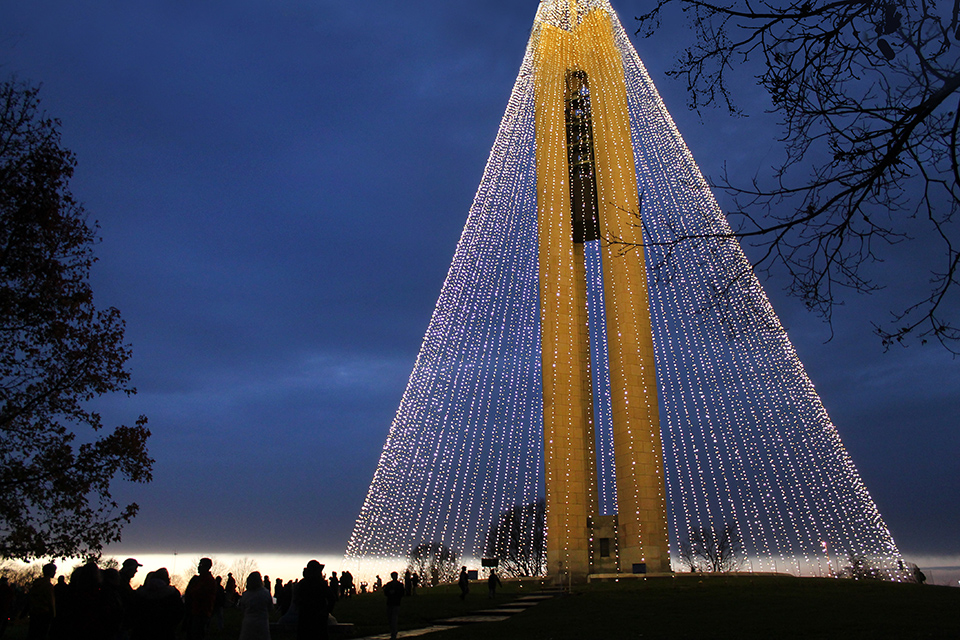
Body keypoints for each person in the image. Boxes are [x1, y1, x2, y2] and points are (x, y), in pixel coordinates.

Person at [131, 568, 183, 640]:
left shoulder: (139, 593)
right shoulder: (173, 593)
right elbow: (179, 613)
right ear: (167, 579)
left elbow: (132, 612)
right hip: (165, 632)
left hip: (141, 632)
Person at [294, 560, 332, 640]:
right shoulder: (321, 584)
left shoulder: (302, 584)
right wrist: (327, 611)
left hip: (305, 616)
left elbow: (296, 599)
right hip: (319, 616)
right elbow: (332, 598)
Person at [183, 558, 218, 640]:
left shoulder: (208, 581)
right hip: (195, 612)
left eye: (201, 565)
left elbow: (196, 593)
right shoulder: (200, 579)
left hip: (201, 613)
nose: (198, 567)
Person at [238, 572, 272, 640]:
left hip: (248, 624)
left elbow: (242, 609)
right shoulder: (266, 593)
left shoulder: (245, 595)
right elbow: (270, 608)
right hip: (262, 624)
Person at [27, 562, 56, 640]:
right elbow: (51, 602)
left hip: (34, 612)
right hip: (44, 614)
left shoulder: (36, 584)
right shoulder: (48, 586)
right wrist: (53, 615)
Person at [382, 572, 404, 640]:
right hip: (391, 603)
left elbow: (401, 593)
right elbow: (386, 592)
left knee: (393, 618)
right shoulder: (390, 584)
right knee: (390, 618)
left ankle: (393, 631)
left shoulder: (399, 585)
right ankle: (393, 630)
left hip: (395, 603)